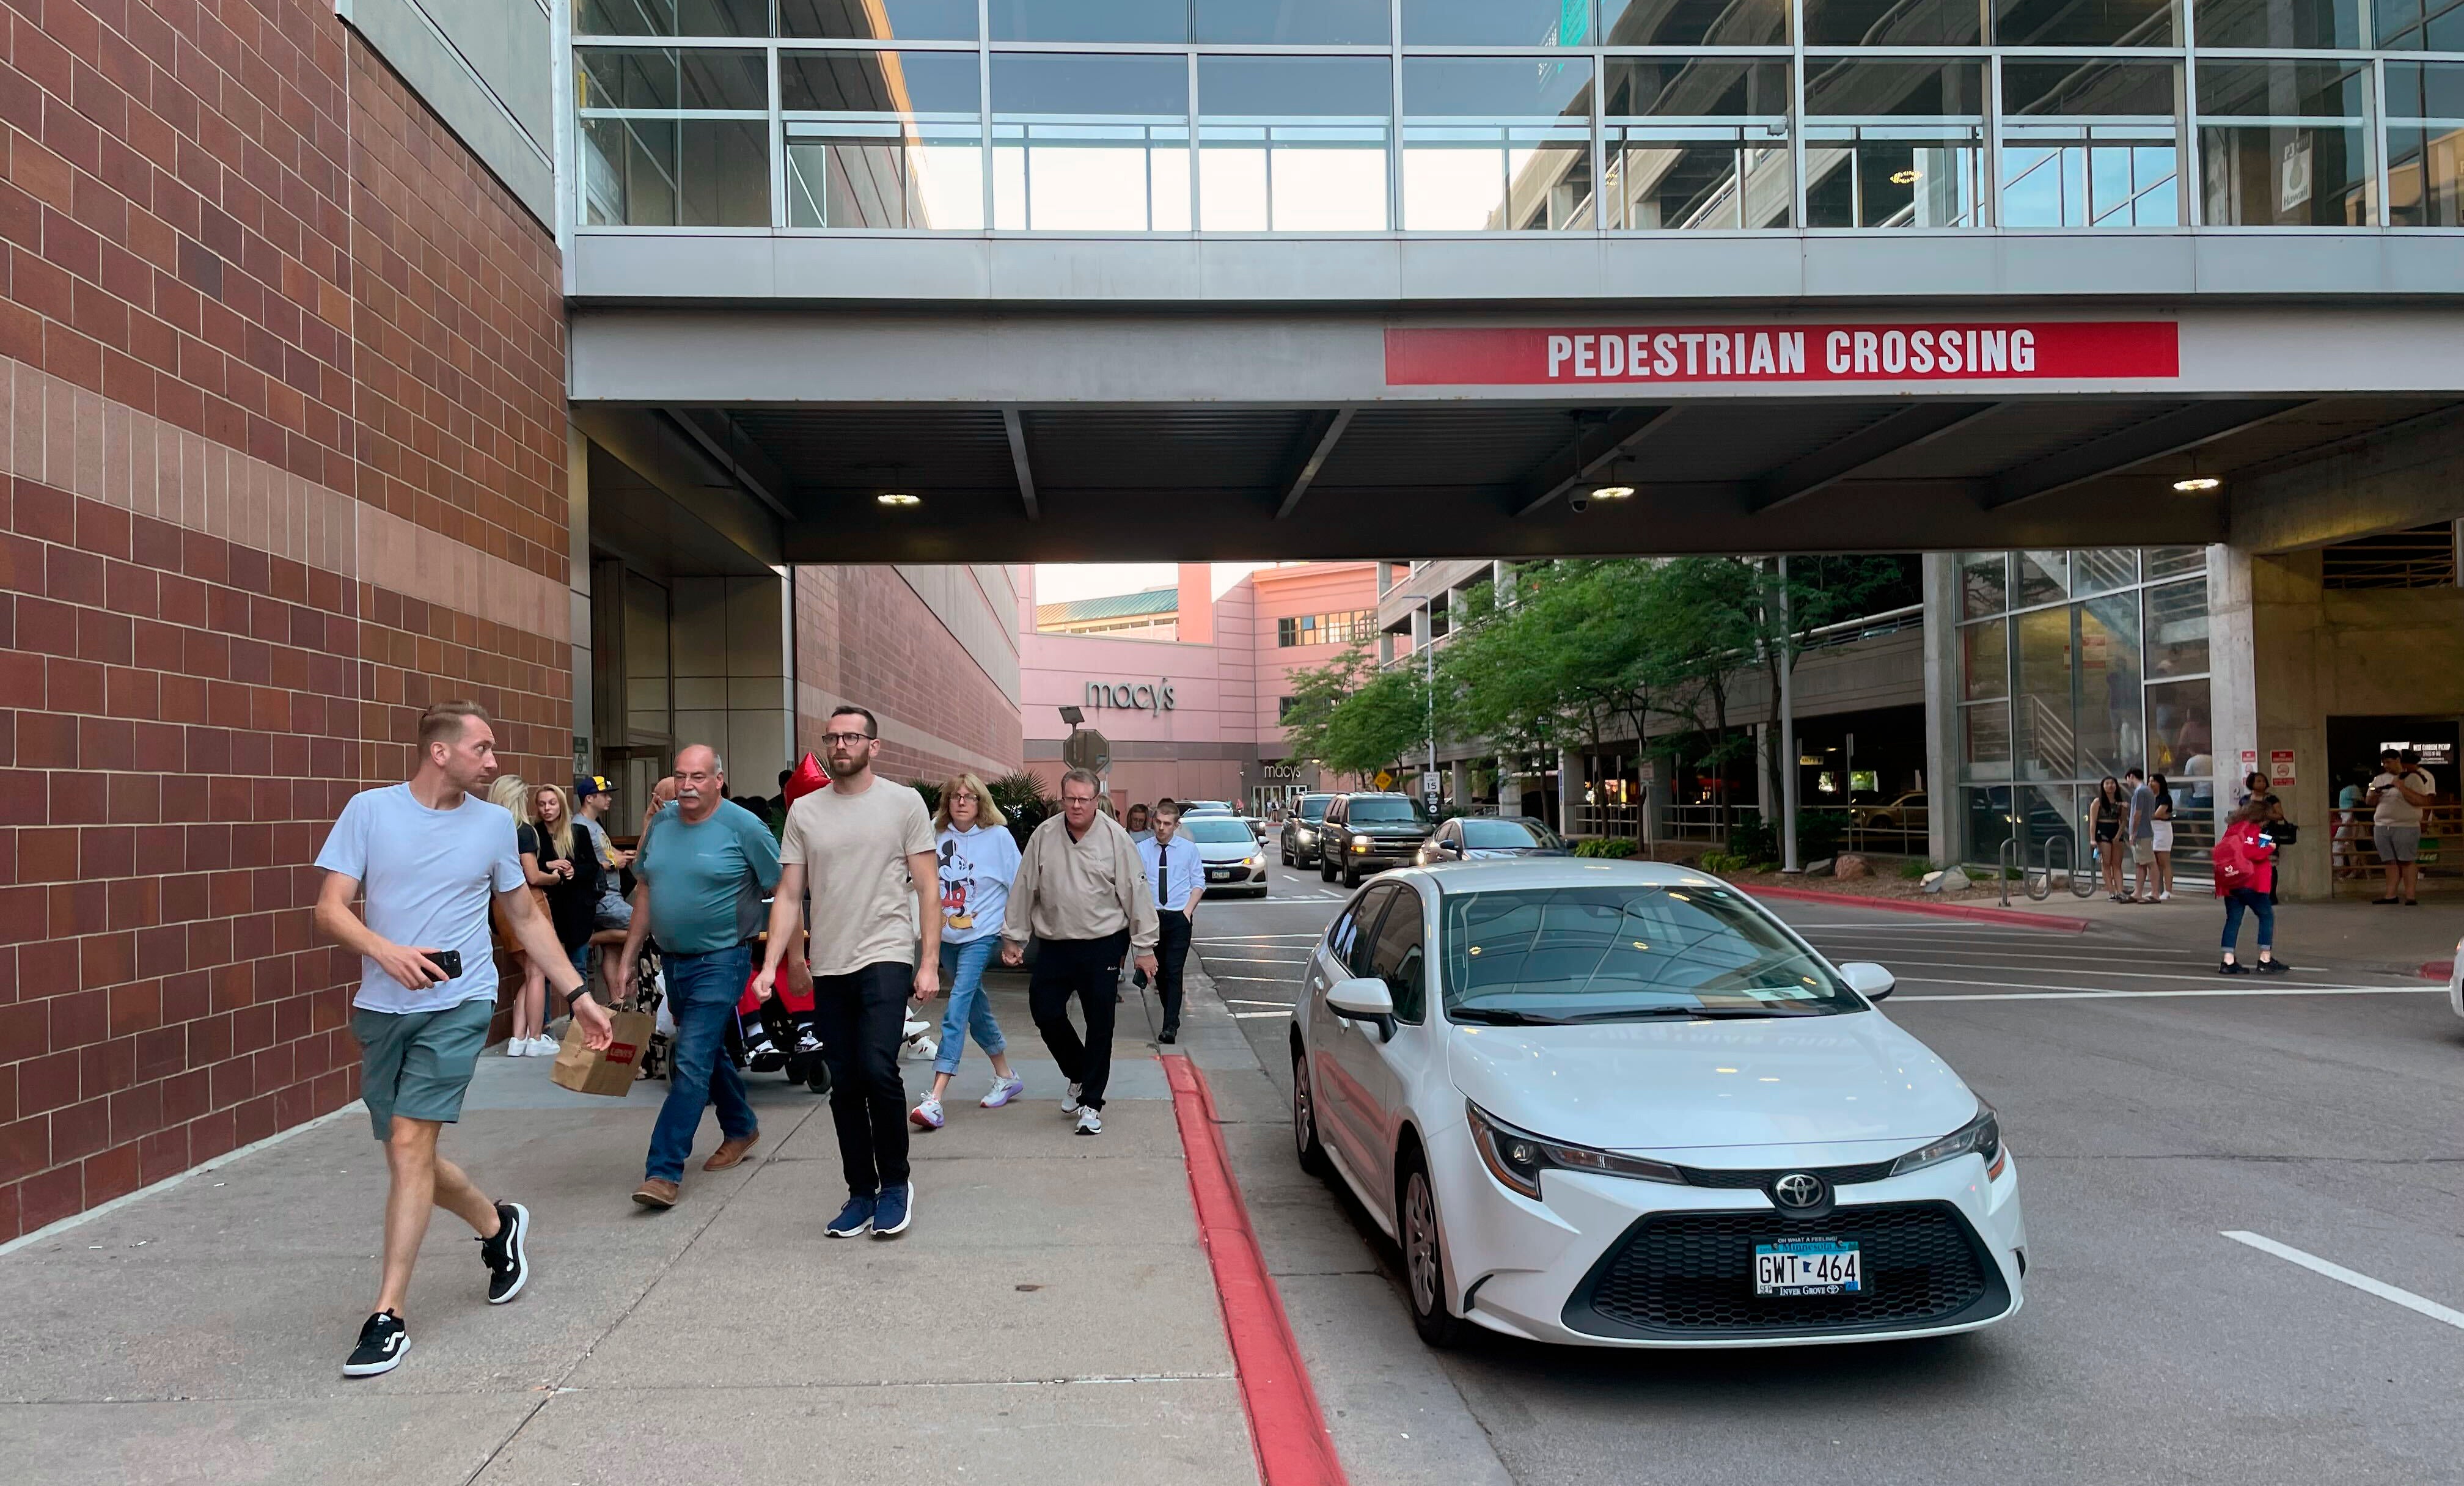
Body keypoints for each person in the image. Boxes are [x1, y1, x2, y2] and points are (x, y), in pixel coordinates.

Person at [313, 702, 614, 1378]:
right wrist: (383, 951)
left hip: (460, 1001)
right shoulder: (370, 810)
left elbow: (524, 921)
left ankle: (386, 1315)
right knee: (404, 1151)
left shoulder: (494, 825)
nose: (495, 760)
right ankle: (497, 1222)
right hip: (384, 1005)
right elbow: (329, 907)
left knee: (413, 1145)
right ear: (440, 752)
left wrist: (582, 995)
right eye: (483, 747)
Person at [752, 706, 940, 1239]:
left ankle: (896, 1185)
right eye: (833, 737)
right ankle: (861, 1191)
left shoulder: (904, 804)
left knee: (879, 1069)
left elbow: (928, 887)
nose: (840, 745)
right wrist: (778, 964)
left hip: (885, 952)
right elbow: (790, 893)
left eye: (851, 737)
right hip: (830, 961)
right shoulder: (805, 812)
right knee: (845, 1083)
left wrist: (928, 961)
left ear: (873, 746)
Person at [615, 745, 780, 1209]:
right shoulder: (663, 823)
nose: (687, 786)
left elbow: (781, 886)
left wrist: (792, 960)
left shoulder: (744, 827)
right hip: (673, 960)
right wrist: (629, 957)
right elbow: (646, 889)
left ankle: (663, 1172)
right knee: (705, 1053)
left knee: (688, 1061)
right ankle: (742, 1126)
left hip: (724, 958)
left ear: (719, 780)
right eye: (681, 776)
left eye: (699, 777)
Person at [1000, 768, 1159, 1138]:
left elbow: (1136, 895)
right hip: (1055, 944)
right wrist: (1014, 938)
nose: (1075, 805)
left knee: (1100, 1023)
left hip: (1102, 943)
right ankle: (1078, 1073)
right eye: (1069, 798)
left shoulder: (1116, 839)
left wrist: (1145, 948)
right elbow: (1025, 888)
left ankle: (1092, 1103)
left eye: (1083, 799)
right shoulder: (1045, 835)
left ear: (1095, 799)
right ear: (1062, 798)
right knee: (1045, 1011)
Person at [910, 772, 1027, 1131]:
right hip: (942, 937)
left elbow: (1019, 887)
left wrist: (1013, 938)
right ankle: (1006, 1075)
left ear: (981, 803)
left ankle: (935, 1097)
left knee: (958, 1006)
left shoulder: (999, 838)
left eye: (970, 796)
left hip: (982, 935)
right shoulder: (934, 833)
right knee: (976, 1007)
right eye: (956, 796)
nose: (962, 802)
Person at [513, 781, 601, 1055]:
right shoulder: (534, 834)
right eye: (542, 804)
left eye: (552, 803)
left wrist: (575, 870)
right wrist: (549, 865)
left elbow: (593, 867)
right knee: (546, 970)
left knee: (578, 965)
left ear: (561, 805)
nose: (547, 809)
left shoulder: (578, 831)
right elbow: (529, 869)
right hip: (548, 909)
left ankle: (581, 1025)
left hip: (576, 908)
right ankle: (545, 1025)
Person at [1137, 802, 1203, 1044]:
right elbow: (1136, 884)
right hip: (1152, 918)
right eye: (1158, 823)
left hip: (1178, 917)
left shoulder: (1188, 850)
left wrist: (1187, 912)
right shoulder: (1142, 849)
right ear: (1153, 821)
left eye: (1167, 824)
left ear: (1177, 825)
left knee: (1174, 971)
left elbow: (1199, 882)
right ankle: (1171, 1017)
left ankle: (1170, 1026)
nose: (1162, 828)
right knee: (1161, 972)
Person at [2214, 798, 2289, 975]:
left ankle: (2228, 960)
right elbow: (2251, 852)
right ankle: (2265, 959)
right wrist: (2269, 848)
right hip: (2250, 882)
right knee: (2266, 916)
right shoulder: (2251, 829)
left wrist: (2264, 844)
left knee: (2233, 920)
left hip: (2231, 880)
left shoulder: (2233, 828)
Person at [2367, 747, 2435, 906]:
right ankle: (2390, 895)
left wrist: (2401, 788)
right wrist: (2375, 792)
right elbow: (2369, 798)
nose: (2386, 766)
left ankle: (2410, 896)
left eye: (2389, 762)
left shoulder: (2414, 778)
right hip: (2382, 826)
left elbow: (2421, 801)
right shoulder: (2378, 779)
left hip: (2406, 826)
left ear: (2398, 761)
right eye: (2384, 763)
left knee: (2407, 861)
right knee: (2389, 862)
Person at [2088, 776, 2130, 902]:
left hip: (2116, 831)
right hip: (2103, 832)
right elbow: (2093, 822)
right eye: (2107, 783)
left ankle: (2120, 891)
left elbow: (2123, 821)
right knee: (2106, 863)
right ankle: (2111, 891)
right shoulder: (2097, 802)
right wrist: (2093, 839)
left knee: (2117, 864)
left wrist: (2118, 836)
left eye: (2112, 783)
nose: (2110, 786)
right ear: (2103, 786)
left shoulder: (2120, 803)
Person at [2124, 767, 2157, 903]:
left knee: (2149, 862)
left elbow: (2137, 813)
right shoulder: (2148, 791)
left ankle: (2155, 893)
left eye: (2127, 779)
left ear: (2131, 776)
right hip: (2145, 831)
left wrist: (2133, 833)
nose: (2127, 783)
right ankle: (2138, 892)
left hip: (2141, 833)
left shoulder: (2140, 792)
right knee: (2140, 863)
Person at [2147, 772, 2176, 903]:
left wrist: (2156, 816)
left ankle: (2168, 891)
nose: (2150, 783)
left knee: (2164, 862)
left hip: (2162, 830)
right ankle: (2156, 890)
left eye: (2153, 781)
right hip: (2151, 830)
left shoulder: (2165, 798)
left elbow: (2157, 814)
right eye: (2149, 781)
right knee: (2154, 863)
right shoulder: (2149, 798)